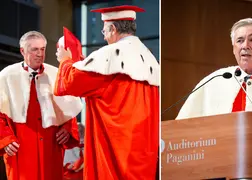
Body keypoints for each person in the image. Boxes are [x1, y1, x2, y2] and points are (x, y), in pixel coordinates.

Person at [55, 5, 159, 180]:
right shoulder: (148, 56)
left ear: (113, 29)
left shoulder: (111, 54)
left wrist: (65, 60)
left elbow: (70, 82)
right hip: (141, 150)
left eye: (104, 29)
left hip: (117, 148)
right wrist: (84, 64)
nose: (103, 34)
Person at [0, 31, 83, 180]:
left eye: (42, 49)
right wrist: (5, 139)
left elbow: (68, 110)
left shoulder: (56, 74)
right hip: (21, 148)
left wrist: (67, 128)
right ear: (22, 51)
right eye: (34, 49)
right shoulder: (6, 76)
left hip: (51, 147)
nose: (40, 54)